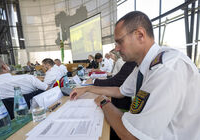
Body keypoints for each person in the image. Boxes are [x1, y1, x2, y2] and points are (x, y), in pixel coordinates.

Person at [70, 11, 200, 140]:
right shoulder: (144, 65)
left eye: (120, 42)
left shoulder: (167, 67)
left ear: (140, 35)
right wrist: (87, 88)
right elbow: (120, 91)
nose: (116, 49)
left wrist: (103, 101)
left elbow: (131, 136)